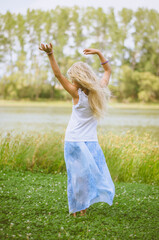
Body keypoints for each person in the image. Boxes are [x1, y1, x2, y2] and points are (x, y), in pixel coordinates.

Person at [39, 43, 115, 217]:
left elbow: (57, 75)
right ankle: (82, 210)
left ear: (77, 78)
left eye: (72, 77)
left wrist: (51, 54)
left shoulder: (76, 93)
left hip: (73, 140)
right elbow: (107, 71)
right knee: (89, 175)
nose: (71, 80)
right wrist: (99, 53)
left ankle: (77, 210)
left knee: (76, 177)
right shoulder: (99, 90)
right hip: (90, 141)